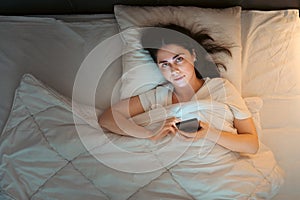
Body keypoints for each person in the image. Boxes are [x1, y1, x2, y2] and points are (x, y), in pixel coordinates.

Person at [99, 24, 259, 154]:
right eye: (165, 64)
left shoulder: (221, 88)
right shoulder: (157, 95)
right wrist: (149, 133)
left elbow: (252, 145)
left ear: (194, 55)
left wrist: (209, 133)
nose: (174, 70)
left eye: (179, 59)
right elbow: (107, 118)